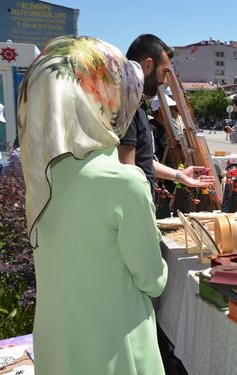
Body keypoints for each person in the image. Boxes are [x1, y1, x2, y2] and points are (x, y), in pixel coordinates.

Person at [17, 36, 167, 374]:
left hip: (56, 351)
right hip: (117, 351)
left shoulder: (42, 178)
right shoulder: (123, 182)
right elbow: (152, 279)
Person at [118, 34, 212, 191]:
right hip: (134, 207)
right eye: (164, 71)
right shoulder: (128, 104)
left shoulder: (136, 103)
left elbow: (141, 160)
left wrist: (179, 175)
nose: (166, 81)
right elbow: (127, 169)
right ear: (148, 66)